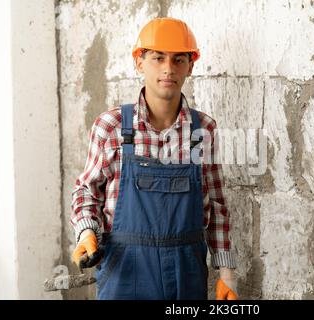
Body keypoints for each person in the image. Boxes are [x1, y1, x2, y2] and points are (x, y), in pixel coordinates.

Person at [70, 17, 238, 300]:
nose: (168, 69)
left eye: (178, 60)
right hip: (124, 273)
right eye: (158, 58)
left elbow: (217, 206)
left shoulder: (203, 130)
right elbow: (87, 191)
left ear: (191, 65)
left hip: (187, 274)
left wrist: (228, 275)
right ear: (139, 62)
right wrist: (87, 231)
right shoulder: (110, 126)